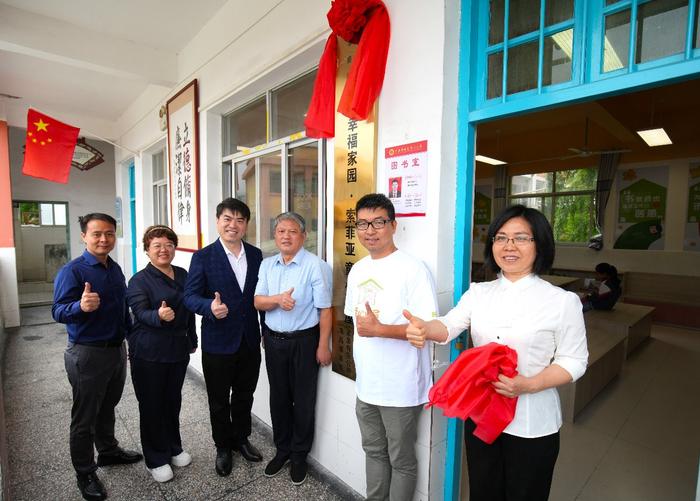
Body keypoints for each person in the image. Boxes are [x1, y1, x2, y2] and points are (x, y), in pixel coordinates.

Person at [405, 204, 588, 501]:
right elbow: (449, 325)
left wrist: (529, 384)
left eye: (521, 238)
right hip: (481, 415)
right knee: (483, 490)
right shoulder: (479, 293)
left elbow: (575, 360)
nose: (509, 246)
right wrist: (426, 328)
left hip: (532, 423)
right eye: (500, 238)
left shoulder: (561, 301)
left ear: (540, 245)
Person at [344, 193, 438, 501]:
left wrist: (381, 330)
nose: (369, 230)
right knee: (373, 450)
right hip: (367, 384)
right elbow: (358, 323)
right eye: (362, 223)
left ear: (393, 225)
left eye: (378, 222)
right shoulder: (357, 269)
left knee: (401, 459)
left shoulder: (413, 269)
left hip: (400, 385)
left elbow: (426, 330)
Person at [52, 213, 143, 501]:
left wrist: (131, 340)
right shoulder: (73, 271)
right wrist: (79, 306)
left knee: (108, 405)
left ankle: (108, 451)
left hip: (116, 350)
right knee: (85, 416)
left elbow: (122, 310)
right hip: (87, 353)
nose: (104, 239)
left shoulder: (115, 269)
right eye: (97, 234)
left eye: (109, 234)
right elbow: (57, 310)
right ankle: (85, 471)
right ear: (84, 237)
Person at [184, 198, 264, 477]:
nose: (233, 225)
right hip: (218, 341)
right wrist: (209, 307)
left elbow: (259, 298)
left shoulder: (256, 255)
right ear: (218, 222)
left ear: (246, 225)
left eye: (240, 220)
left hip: (250, 341)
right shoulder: (203, 257)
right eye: (228, 219)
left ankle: (241, 438)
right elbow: (189, 297)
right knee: (218, 399)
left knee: (245, 395)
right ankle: (222, 446)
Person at [254, 212, 332, 485]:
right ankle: (282, 449)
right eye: (280, 231)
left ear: (304, 236)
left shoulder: (316, 266)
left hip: (304, 341)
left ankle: (299, 455)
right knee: (279, 398)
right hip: (274, 340)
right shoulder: (267, 265)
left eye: (292, 231)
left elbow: (325, 309)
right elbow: (258, 301)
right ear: (275, 236)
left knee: (303, 400)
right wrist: (277, 300)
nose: (286, 236)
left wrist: (323, 345)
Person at [126, 225, 198, 483]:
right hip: (149, 351)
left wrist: (192, 338)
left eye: (168, 245)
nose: (163, 250)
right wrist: (158, 315)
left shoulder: (182, 274)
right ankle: (155, 458)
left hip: (177, 350)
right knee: (152, 404)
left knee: (172, 401)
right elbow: (139, 312)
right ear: (147, 250)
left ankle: (173, 447)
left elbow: (188, 308)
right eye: (156, 245)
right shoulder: (138, 281)